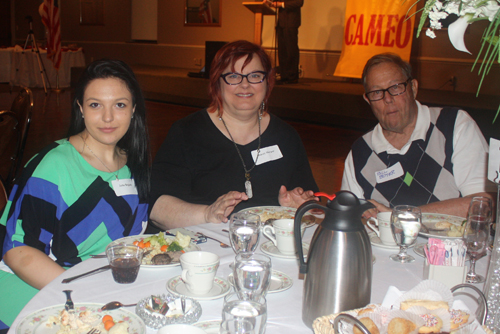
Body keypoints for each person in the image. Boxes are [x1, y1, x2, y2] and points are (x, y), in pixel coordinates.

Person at [0, 59, 150, 328]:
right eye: (95, 105)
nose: (107, 117)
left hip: (95, 287)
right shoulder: (53, 165)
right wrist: (85, 292)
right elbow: (19, 252)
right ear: (80, 108)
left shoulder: (133, 166)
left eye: (119, 104)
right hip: (33, 290)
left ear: (133, 109)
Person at [148, 40, 318, 231]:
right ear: (217, 82)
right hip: (202, 251)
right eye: (234, 76)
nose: (245, 85)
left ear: (267, 82)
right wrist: (207, 213)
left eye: (255, 76)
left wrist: (297, 207)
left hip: (270, 248)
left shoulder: (286, 137)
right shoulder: (187, 133)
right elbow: (156, 208)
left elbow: (315, 206)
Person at [341, 53, 495, 218]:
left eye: (395, 87)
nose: (387, 99)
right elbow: (348, 218)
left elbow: (483, 205)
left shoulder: (453, 125)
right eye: (377, 92)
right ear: (367, 100)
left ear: (413, 88)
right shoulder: (360, 152)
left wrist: (402, 217)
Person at [269, 0, 303, 84]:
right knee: (282, 51)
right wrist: (270, 2)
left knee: (291, 50)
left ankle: (292, 77)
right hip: (281, 23)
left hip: (291, 22)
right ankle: (284, 76)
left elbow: (299, 2)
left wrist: (281, 4)